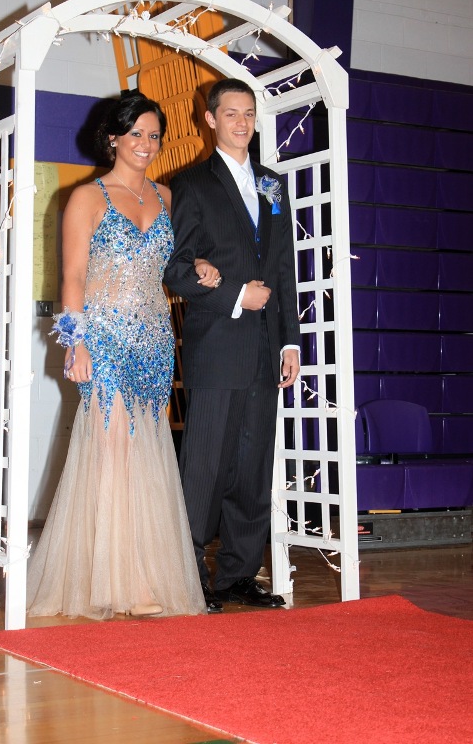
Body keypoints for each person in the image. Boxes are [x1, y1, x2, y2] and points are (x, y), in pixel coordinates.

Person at [27, 93, 219, 619]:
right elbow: (71, 278)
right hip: (104, 338)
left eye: (154, 136)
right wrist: (76, 343)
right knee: (112, 450)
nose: (146, 144)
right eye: (136, 133)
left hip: (155, 339)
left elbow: (179, 262)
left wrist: (200, 265)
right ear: (113, 137)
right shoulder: (86, 198)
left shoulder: (168, 197)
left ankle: (144, 575)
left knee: (149, 453)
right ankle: (118, 582)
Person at [164, 78, 301, 613]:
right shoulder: (190, 184)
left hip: (266, 350)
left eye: (249, 113)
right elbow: (177, 269)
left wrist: (290, 342)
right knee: (204, 469)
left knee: (252, 468)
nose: (242, 122)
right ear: (210, 119)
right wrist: (236, 294)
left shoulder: (272, 183)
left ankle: (239, 575)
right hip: (218, 347)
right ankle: (191, 576)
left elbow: (284, 268)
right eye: (231, 113)